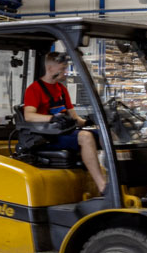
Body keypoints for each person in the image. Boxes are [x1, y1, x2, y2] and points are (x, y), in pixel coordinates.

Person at [21, 50, 108, 196]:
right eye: (62, 69)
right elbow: (28, 115)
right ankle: (103, 187)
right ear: (50, 68)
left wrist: (90, 121)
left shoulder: (61, 89)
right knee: (85, 137)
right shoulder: (34, 89)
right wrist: (51, 118)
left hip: (63, 132)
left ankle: (113, 179)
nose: (66, 72)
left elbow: (75, 119)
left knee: (105, 134)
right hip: (46, 137)